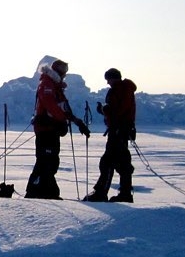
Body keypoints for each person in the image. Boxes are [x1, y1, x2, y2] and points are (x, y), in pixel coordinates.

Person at [25, 59, 89, 199]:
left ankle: (44, 191)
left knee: (50, 161)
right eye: (63, 71)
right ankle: (37, 191)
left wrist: (77, 122)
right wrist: (61, 121)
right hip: (46, 129)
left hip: (52, 129)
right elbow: (51, 106)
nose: (65, 75)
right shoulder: (47, 84)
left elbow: (62, 108)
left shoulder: (56, 87)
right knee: (45, 161)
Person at [84, 67, 137, 203]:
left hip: (118, 131)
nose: (108, 82)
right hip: (122, 130)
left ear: (113, 78)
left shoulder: (120, 89)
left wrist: (104, 109)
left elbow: (117, 111)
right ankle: (124, 193)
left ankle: (101, 192)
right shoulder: (126, 89)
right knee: (122, 162)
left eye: (108, 79)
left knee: (108, 162)